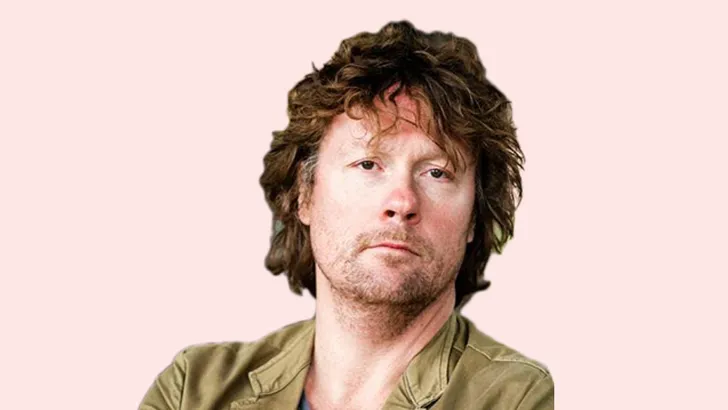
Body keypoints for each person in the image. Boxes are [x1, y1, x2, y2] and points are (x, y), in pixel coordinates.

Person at [139, 20, 554, 410]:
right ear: (305, 195)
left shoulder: (514, 398)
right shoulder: (193, 388)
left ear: (474, 219)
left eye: (436, 173)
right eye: (368, 164)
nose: (403, 201)